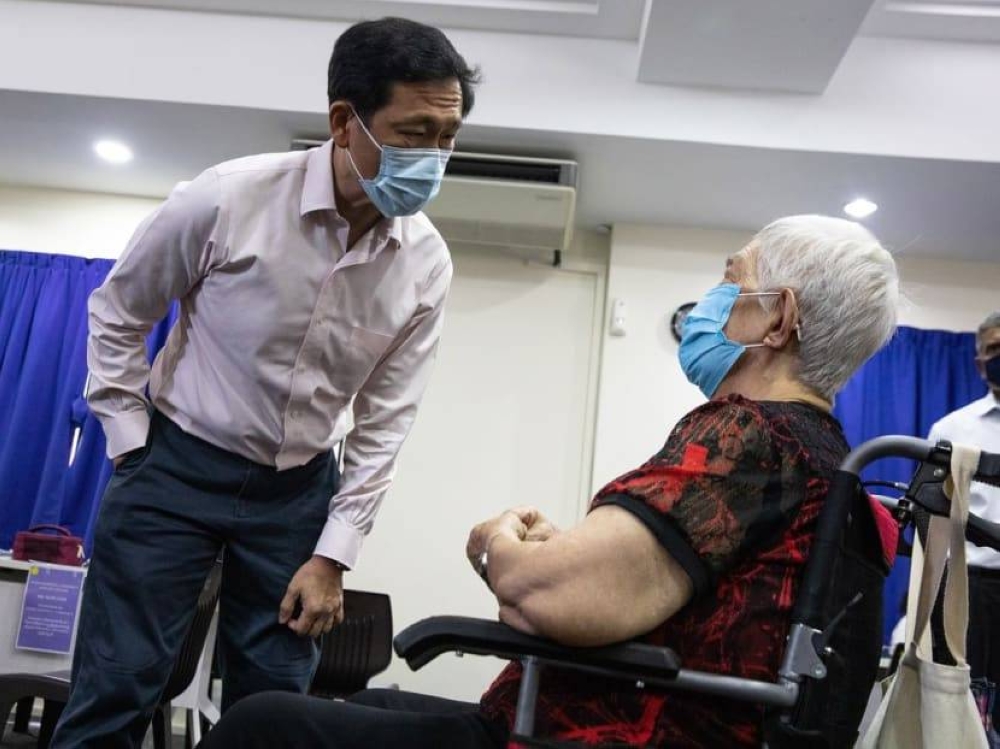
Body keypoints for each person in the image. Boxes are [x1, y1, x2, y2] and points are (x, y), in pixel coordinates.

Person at [199, 215, 900, 749]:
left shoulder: (751, 437)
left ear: (778, 317)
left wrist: (501, 543)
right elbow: (681, 598)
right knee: (372, 705)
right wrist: (568, 553)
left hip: (596, 734)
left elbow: (548, 598)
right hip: (644, 722)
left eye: (732, 282)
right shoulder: (821, 455)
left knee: (262, 725)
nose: (712, 302)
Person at [51, 17, 480, 749]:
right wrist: (130, 443)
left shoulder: (425, 263)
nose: (434, 158)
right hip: (175, 467)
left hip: (298, 494)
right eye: (414, 133)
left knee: (278, 703)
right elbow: (118, 312)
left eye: (448, 136)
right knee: (118, 685)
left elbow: (385, 422)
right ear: (343, 122)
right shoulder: (226, 198)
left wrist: (334, 555)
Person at [927, 310, 1000, 729]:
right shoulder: (951, 429)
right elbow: (930, 519)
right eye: (995, 348)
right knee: (963, 710)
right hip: (968, 589)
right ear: (979, 362)